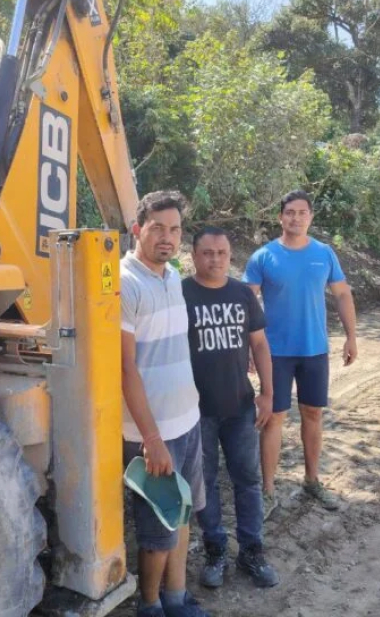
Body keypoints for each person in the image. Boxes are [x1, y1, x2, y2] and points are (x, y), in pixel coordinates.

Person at [121, 190, 210, 617]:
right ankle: (150, 605)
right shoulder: (124, 283)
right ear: (138, 229)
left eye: (175, 230)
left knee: (183, 516)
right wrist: (152, 439)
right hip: (150, 434)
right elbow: (126, 370)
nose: (167, 238)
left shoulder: (172, 276)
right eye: (158, 228)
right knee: (157, 532)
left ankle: (177, 598)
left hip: (186, 423)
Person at [243, 190, 358, 515]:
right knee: (273, 418)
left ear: (311, 217)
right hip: (274, 353)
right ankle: (267, 490)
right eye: (289, 212)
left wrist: (351, 337)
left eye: (302, 212)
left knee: (313, 414)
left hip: (314, 351)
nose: (295, 218)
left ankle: (312, 480)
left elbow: (343, 295)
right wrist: (248, 348)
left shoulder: (324, 253)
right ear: (280, 217)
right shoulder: (263, 256)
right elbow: (247, 304)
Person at [182, 226, 280, 590]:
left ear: (230, 255)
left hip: (239, 406)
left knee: (248, 481)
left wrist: (268, 394)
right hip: (195, 410)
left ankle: (252, 551)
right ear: (193, 255)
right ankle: (215, 551)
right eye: (207, 253)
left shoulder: (241, 294)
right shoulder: (180, 293)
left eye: (222, 253)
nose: (215, 259)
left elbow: (260, 346)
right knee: (203, 484)